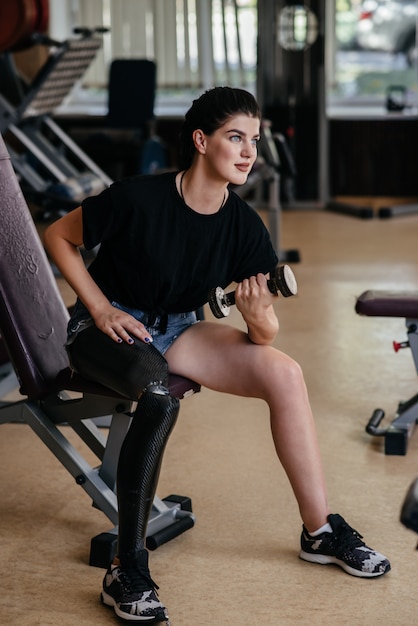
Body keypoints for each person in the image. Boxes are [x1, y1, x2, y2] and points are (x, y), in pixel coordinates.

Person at [43, 86, 390, 623]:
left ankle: (319, 530)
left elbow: (266, 334)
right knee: (158, 396)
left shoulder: (244, 225)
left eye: (254, 139)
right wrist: (102, 309)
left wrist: (256, 317)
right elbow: (58, 236)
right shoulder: (137, 197)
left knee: (285, 373)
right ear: (201, 141)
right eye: (236, 137)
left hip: (176, 328)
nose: (249, 151)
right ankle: (125, 567)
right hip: (104, 327)